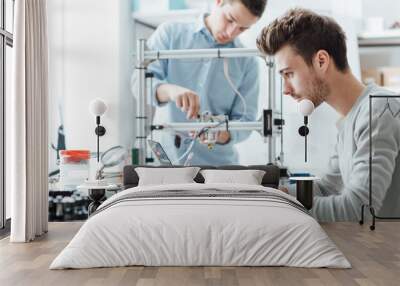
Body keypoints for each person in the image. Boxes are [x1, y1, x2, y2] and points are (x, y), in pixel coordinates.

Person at [256, 8, 400, 221]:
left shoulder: (377, 111)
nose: (285, 89)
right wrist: (276, 194)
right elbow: (327, 187)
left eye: (289, 74)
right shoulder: (352, 117)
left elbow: (359, 209)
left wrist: (285, 208)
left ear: (321, 61)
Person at [144, 0, 267, 165]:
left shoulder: (247, 61)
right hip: (164, 160)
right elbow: (140, 84)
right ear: (219, 2)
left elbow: (246, 120)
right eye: (230, 19)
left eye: (242, 28)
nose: (231, 32)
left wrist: (223, 133)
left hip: (217, 168)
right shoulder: (170, 33)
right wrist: (170, 91)